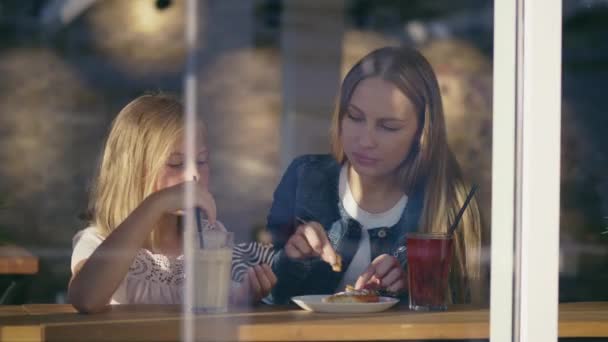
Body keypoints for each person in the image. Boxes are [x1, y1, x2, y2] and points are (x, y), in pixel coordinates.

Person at [266, 46, 483, 305]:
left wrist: (410, 288)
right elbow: (264, 298)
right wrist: (291, 260)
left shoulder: (447, 202)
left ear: (421, 134)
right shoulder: (305, 178)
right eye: (355, 118)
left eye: (388, 127)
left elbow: (465, 312)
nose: (366, 140)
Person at [68, 94, 277, 313]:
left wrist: (244, 296)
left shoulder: (209, 238)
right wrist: (156, 203)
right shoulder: (100, 240)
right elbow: (86, 299)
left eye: (201, 161)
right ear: (132, 173)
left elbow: (212, 312)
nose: (194, 174)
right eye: (176, 163)